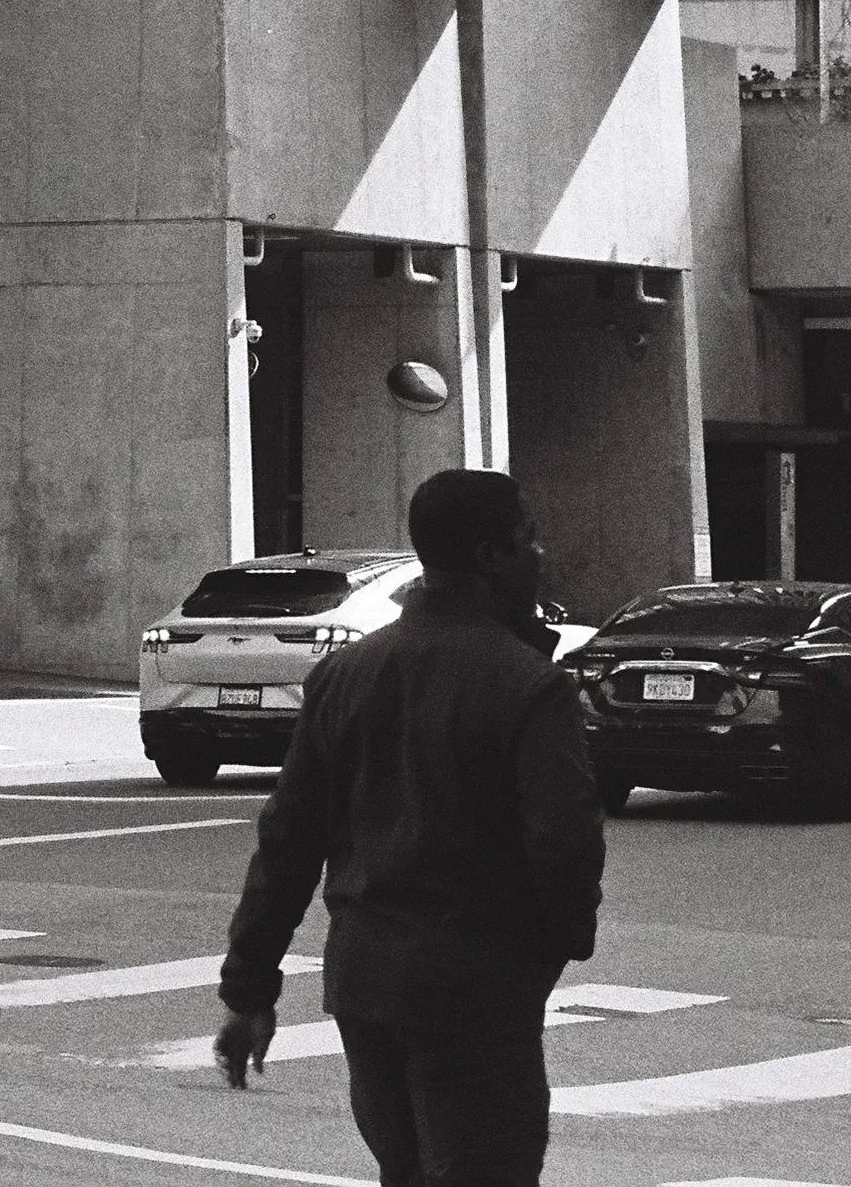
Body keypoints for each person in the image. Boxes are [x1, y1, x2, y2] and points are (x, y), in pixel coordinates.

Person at [214, 468, 605, 1187]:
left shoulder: (344, 674)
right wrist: (548, 950)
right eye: (528, 538)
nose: (541, 553)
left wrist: (248, 990)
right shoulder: (528, 683)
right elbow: (565, 844)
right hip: (475, 991)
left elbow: (287, 843)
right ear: (490, 554)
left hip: (367, 985)